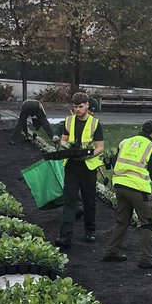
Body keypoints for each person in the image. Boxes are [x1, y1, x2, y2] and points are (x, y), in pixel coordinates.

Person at [102, 120, 152, 269]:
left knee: (122, 221)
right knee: (146, 223)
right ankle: (147, 259)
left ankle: (112, 251)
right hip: (138, 189)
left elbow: (115, 162)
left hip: (120, 186)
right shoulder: (151, 147)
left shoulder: (126, 142)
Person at [56, 92, 104, 247]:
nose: (77, 110)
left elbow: (100, 148)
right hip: (71, 165)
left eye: (80, 106)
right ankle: (65, 237)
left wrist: (87, 154)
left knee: (89, 200)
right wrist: (68, 146)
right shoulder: (68, 121)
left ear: (87, 105)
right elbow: (63, 139)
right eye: (75, 107)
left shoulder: (95, 124)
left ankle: (90, 232)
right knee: (69, 200)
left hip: (88, 167)